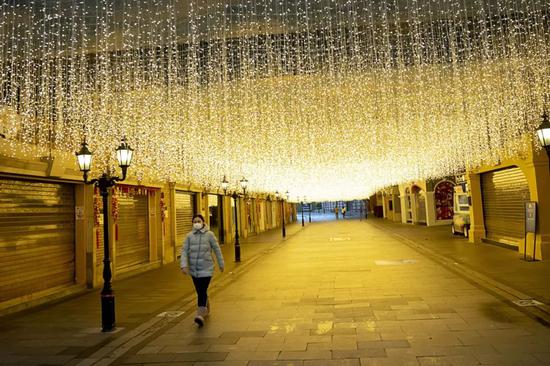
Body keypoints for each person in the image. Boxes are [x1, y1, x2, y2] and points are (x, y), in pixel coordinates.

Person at [181, 214, 225, 327]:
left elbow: (217, 249)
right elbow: (184, 251)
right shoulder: (189, 236)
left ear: (203, 222)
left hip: (207, 268)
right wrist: (184, 265)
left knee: (201, 290)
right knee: (200, 290)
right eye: (194, 221)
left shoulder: (209, 235)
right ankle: (206, 306)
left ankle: (200, 315)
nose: (196, 223)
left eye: (198, 221)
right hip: (194, 270)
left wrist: (221, 264)